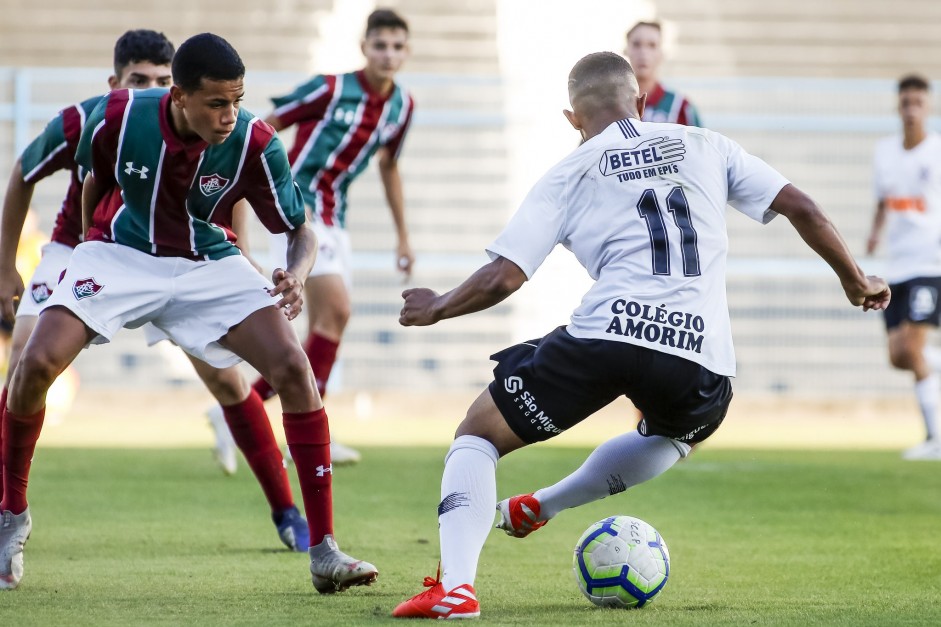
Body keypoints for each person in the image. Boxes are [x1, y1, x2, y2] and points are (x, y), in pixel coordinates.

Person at [391, 52, 889, 619]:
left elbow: (504, 277)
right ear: (643, 101)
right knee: (675, 436)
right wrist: (855, 280)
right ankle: (545, 505)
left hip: (607, 336)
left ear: (572, 118)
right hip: (699, 356)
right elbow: (803, 208)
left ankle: (457, 588)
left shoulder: (569, 170)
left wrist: (436, 307)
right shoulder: (707, 144)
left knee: (478, 435)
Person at [0, 32, 378, 593]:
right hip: (120, 255)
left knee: (294, 372)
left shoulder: (254, 139)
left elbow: (300, 228)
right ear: (179, 96)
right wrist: (47, 256)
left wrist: (295, 275)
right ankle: (12, 517)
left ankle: (323, 549)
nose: (229, 115)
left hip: (207, 264)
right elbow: (58, 173)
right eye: (216, 103)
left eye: (237, 100)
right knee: (32, 366)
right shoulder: (113, 117)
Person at [206, 8, 416, 470]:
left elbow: (389, 166)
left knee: (326, 325)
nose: (389, 54)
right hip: (297, 206)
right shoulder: (332, 87)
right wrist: (238, 191)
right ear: (365, 48)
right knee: (337, 311)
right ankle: (296, 419)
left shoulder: (402, 106)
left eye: (398, 46)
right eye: (380, 45)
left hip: (334, 213)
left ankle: (242, 411)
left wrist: (403, 236)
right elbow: (262, 126)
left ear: (407, 51)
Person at [867, 74, 941, 460]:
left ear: (927, 107)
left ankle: (935, 439)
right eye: (906, 102)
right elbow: (884, 200)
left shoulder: (937, 152)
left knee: (912, 348)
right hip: (897, 266)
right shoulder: (885, 152)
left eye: (918, 103)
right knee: (898, 355)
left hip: (930, 264)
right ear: (898, 107)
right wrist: (874, 234)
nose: (911, 109)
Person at [624, 21, 701, 126]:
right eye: (636, 44)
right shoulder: (611, 104)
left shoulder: (680, 107)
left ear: (662, 53)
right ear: (626, 50)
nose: (643, 52)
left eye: (652, 45)